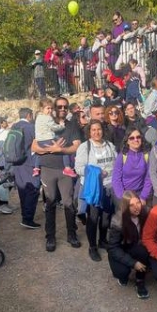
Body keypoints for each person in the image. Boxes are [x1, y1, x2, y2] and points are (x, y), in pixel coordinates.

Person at [34, 97, 83, 252]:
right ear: (54, 107)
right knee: (50, 203)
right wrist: (50, 149)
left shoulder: (71, 125)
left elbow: (76, 146)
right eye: (59, 106)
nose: (62, 109)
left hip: (65, 170)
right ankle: (50, 237)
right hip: (47, 169)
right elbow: (34, 145)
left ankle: (71, 234)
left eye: (65, 107)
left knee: (68, 203)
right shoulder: (46, 121)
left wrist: (60, 150)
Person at [75, 121, 118, 262]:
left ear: (102, 130)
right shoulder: (84, 147)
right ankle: (92, 247)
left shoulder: (110, 146)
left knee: (106, 218)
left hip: (109, 188)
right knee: (93, 219)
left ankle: (102, 240)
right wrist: (97, 172)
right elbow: (79, 168)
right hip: (94, 189)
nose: (96, 132)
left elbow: (117, 164)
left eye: (98, 129)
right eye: (93, 130)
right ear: (89, 132)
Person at [107, 191, 152, 299]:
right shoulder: (118, 220)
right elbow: (113, 247)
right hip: (120, 249)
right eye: (131, 205)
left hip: (135, 246)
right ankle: (122, 276)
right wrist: (133, 263)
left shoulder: (146, 212)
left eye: (138, 203)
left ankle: (140, 281)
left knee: (143, 251)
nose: (137, 207)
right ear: (126, 206)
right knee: (122, 272)